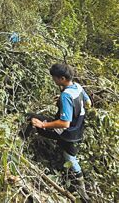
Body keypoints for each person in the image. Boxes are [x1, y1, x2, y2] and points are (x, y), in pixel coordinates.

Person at [24, 63, 91, 200]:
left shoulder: (66, 95)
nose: (53, 80)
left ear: (62, 78)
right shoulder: (77, 86)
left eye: (54, 77)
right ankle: (81, 190)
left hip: (66, 132)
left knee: (32, 118)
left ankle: (82, 193)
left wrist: (43, 125)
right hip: (77, 129)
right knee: (69, 156)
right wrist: (67, 105)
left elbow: (64, 123)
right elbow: (88, 103)